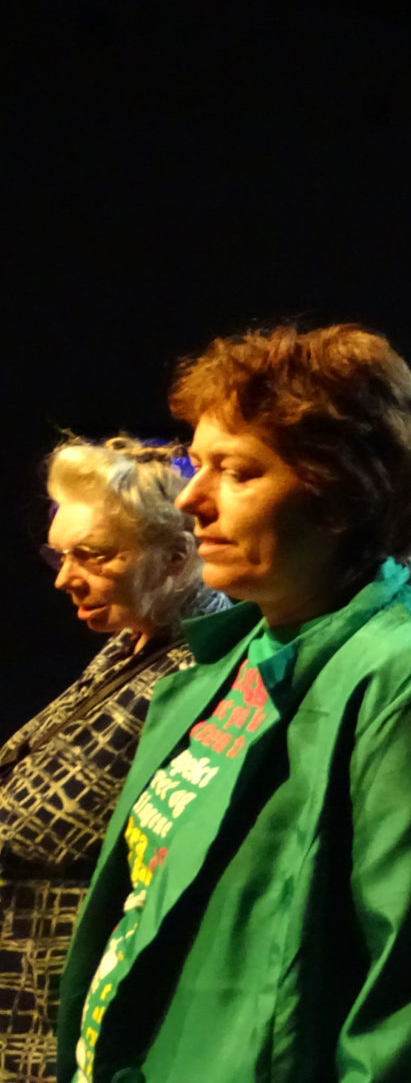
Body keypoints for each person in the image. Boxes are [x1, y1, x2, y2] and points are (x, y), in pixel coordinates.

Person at [54, 325, 411, 1083]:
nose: (191, 498)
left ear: (341, 495)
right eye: (197, 463)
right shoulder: (242, 649)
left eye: (237, 471)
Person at [0, 437, 225, 1080]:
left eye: (92, 555)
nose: (65, 578)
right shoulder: (132, 639)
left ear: (176, 558)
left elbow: (36, 824)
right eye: (60, 554)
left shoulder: (198, 669)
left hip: (54, 1008)